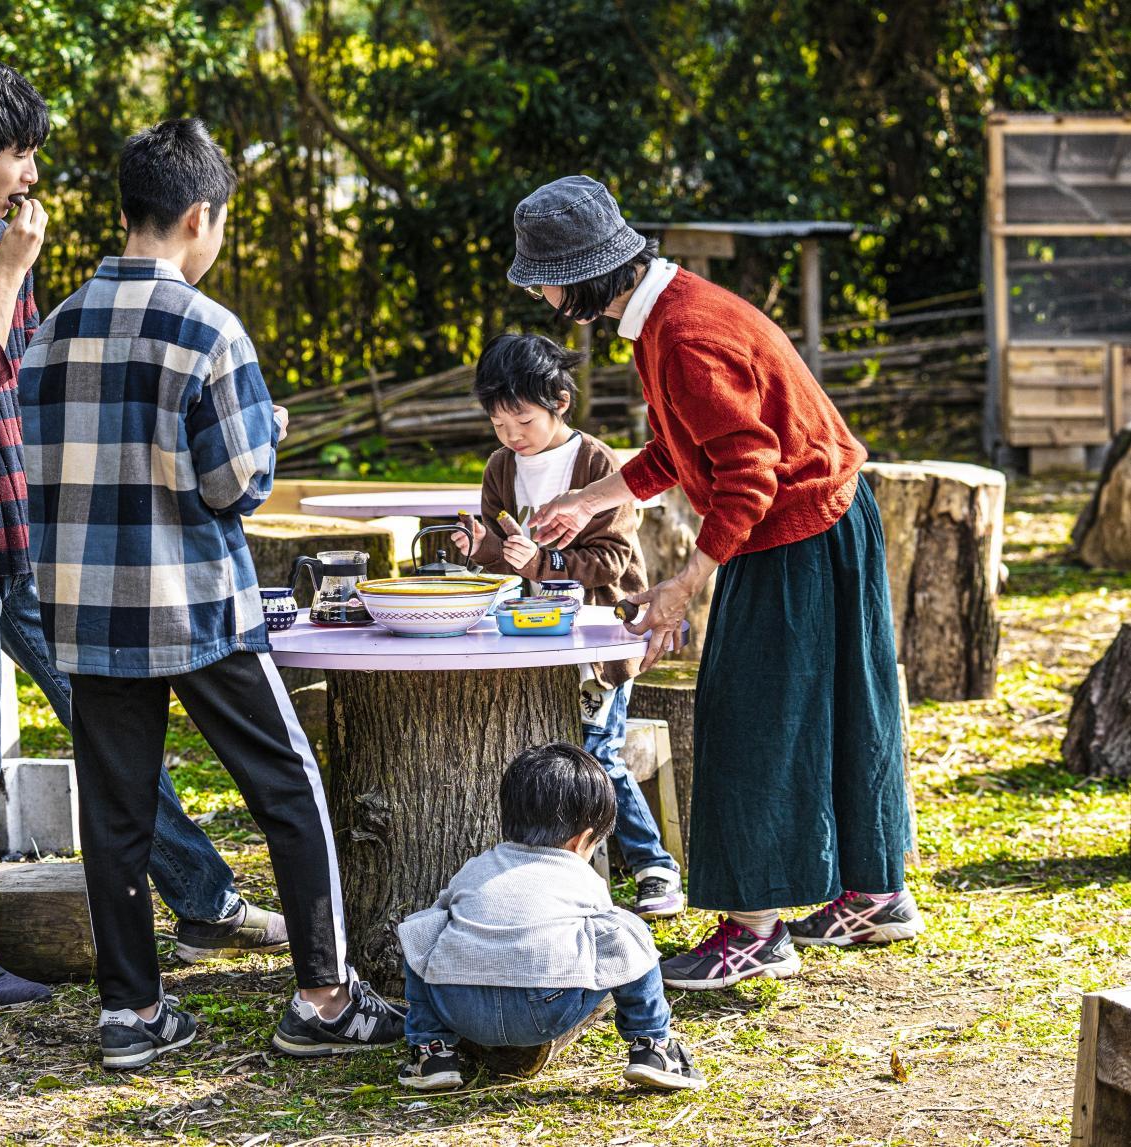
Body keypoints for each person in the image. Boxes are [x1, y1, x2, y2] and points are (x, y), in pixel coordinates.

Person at [0, 59, 285, 1018]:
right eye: (17, 156)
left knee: (111, 721)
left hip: (31, 530)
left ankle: (204, 900)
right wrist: (9, 276)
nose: (30, 176)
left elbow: (30, 386)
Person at [19, 118, 404, 1070]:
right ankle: (321, 997)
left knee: (115, 812)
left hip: (86, 606)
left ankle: (130, 1016)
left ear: (126, 212)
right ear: (200, 216)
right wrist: (264, 428)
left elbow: (34, 470)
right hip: (196, 604)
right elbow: (236, 484)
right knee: (287, 784)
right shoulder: (209, 329)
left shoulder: (49, 329)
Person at [509, 176, 923, 990]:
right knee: (837, 706)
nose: (544, 295)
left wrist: (686, 582)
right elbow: (680, 449)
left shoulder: (684, 334)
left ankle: (754, 928)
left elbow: (747, 474)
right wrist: (589, 497)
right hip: (822, 520)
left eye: (546, 278)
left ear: (585, 273)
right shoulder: (663, 316)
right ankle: (873, 893)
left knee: (749, 716)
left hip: (796, 531)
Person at [450, 333, 683, 919]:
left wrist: (544, 563)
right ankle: (560, 869)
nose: (510, 435)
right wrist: (479, 547)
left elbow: (614, 561)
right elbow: (504, 547)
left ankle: (654, 865)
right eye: (498, 424)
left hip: (600, 637)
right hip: (534, 635)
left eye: (521, 420)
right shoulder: (502, 465)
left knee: (599, 752)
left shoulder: (598, 464)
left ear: (558, 400)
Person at [396, 742, 705, 1092]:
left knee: (424, 928)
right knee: (627, 930)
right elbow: (611, 939)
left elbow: (441, 921)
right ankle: (653, 1046)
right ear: (584, 839)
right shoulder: (581, 875)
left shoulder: (478, 867)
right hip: (544, 1010)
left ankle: (431, 1050)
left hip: (459, 1006)